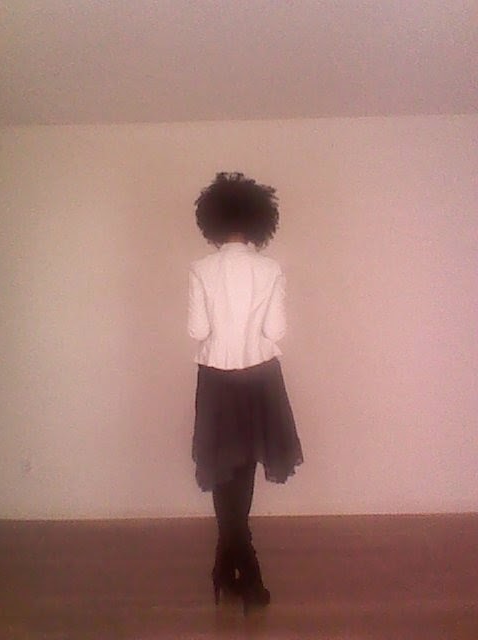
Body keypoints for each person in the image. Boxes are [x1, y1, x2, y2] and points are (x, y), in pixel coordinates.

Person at [187, 171, 303, 615]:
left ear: (212, 219)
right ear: (259, 219)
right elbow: (276, 330)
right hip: (259, 377)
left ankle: (228, 568)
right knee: (246, 466)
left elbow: (197, 330)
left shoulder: (201, 269)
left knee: (223, 466)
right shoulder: (270, 270)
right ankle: (246, 572)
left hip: (217, 378)